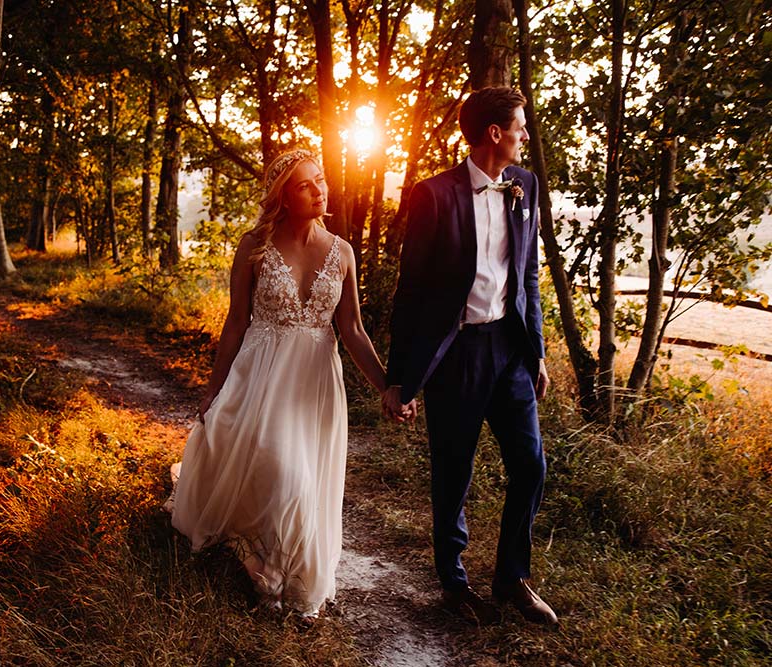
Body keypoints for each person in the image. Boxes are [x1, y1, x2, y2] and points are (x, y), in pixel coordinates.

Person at [171, 149, 406, 621]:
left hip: (313, 383)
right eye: (306, 185)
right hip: (259, 372)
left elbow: (353, 330)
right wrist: (213, 389)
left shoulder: (342, 252)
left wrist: (388, 386)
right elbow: (236, 323)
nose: (320, 190)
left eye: (321, 180)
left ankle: (278, 573)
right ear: (283, 195)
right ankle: (268, 575)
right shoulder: (254, 245)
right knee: (280, 471)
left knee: (301, 477)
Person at [383, 86, 558, 625]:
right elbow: (411, 290)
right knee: (453, 471)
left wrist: (539, 354)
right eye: (521, 127)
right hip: (456, 353)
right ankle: (454, 585)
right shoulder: (433, 195)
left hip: (509, 349)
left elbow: (527, 274)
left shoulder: (525, 186)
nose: (526, 136)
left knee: (530, 465)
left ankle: (512, 579)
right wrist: (400, 379)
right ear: (494, 134)